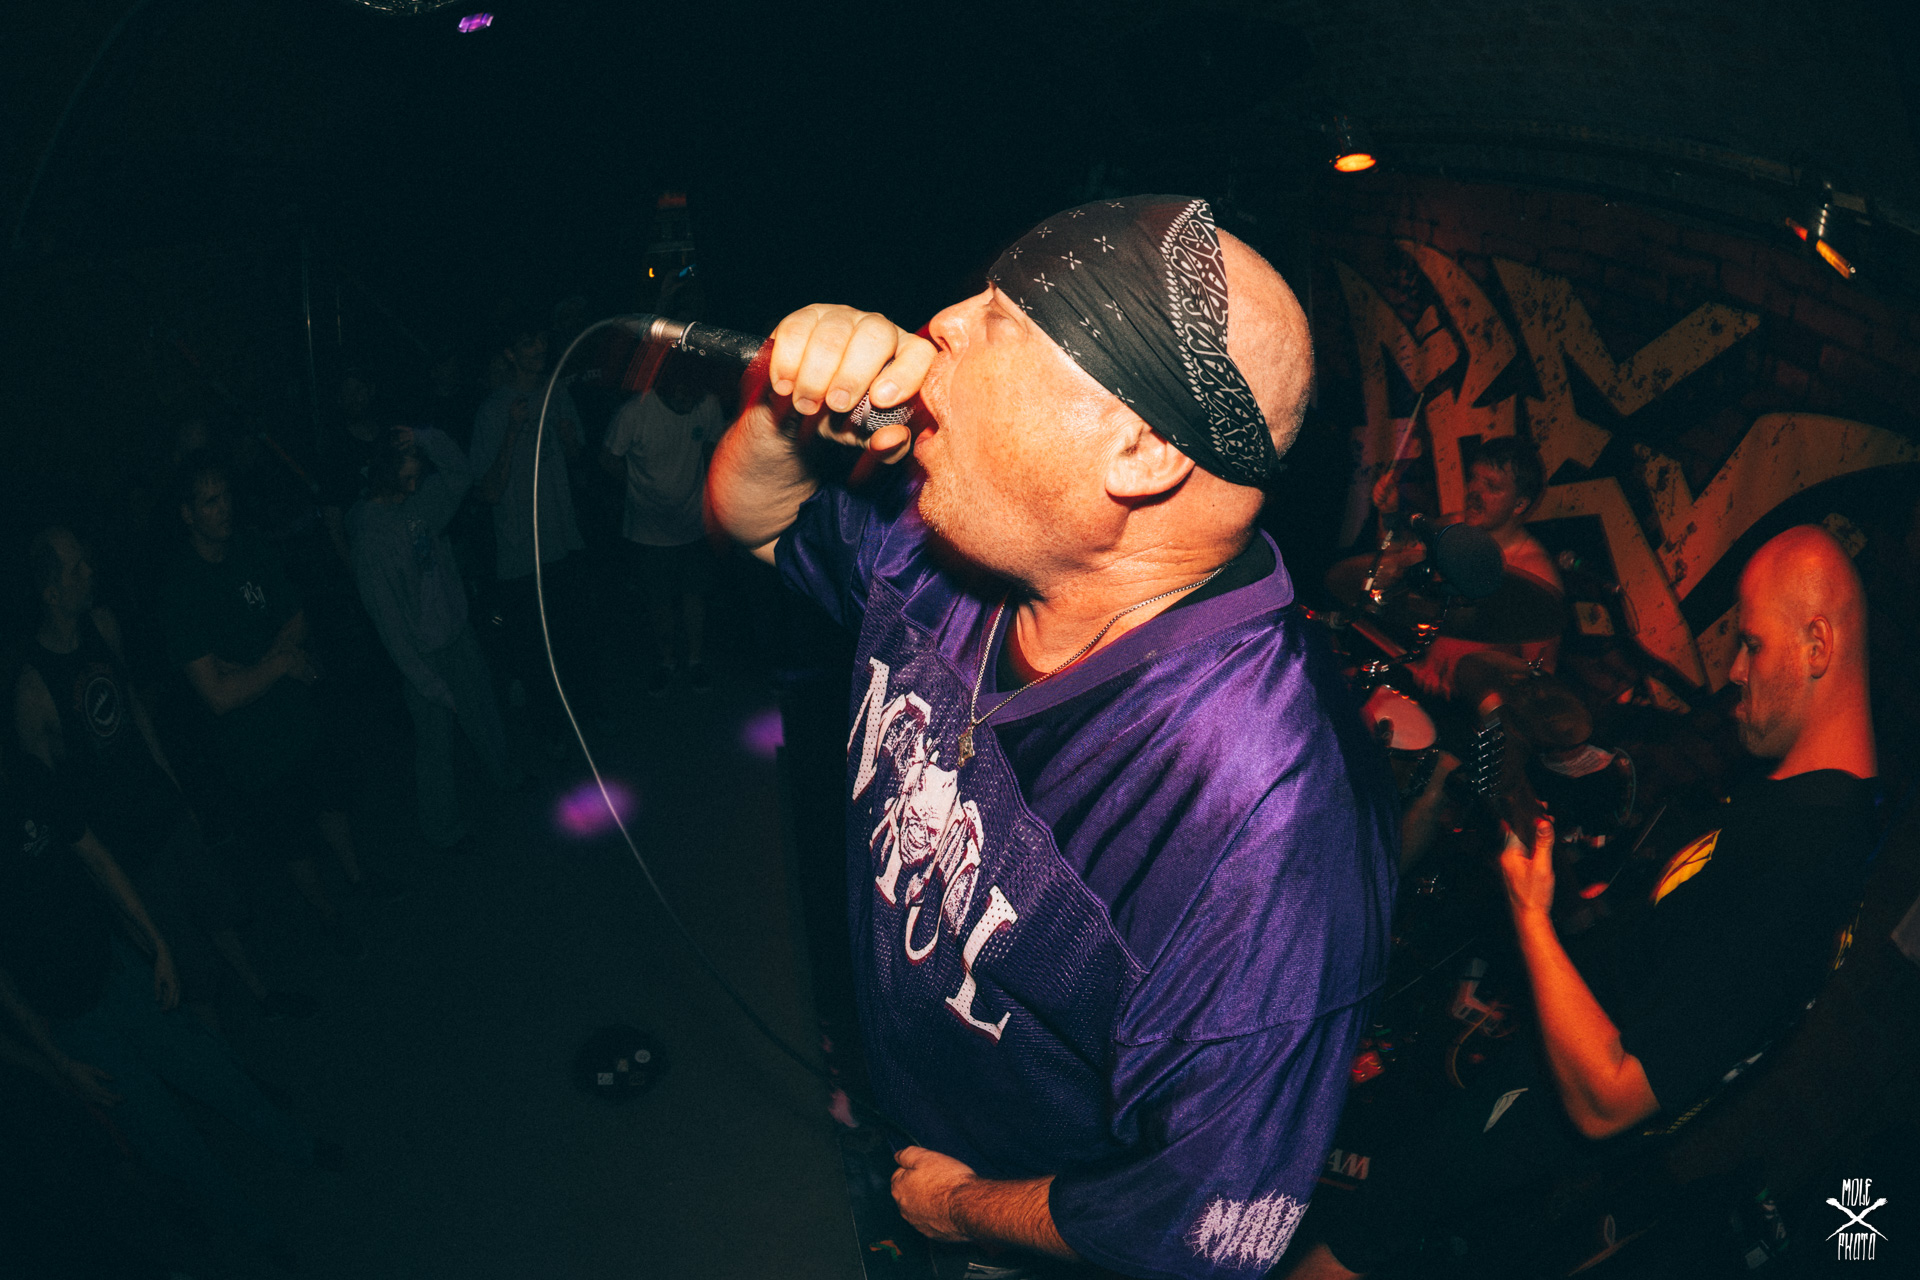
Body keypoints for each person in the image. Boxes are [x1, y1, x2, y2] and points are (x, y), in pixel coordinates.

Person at [707, 196, 1398, 1278]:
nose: (939, 322)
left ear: (1139, 449)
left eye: (1003, 320)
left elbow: (1203, 1227)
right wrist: (787, 412)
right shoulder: (956, 531)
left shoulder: (1265, 823)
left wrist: (962, 1210)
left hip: (1008, 1223)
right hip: (902, 1098)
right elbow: (752, 521)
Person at [1286, 524, 1881, 1279]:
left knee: (1362, 1235)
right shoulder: (1830, 813)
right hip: (1537, 1101)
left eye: (1753, 645)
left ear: (1817, 645)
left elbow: (1611, 1097)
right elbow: (1683, 966)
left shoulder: (1802, 852)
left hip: (1537, 1120)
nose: (1733, 670)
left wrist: (1531, 916)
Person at [0, 753, 326, 1255]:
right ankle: (256, 1230)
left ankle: (297, 1145)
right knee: (165, 1134)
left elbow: (96, 857)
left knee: (210, 1067)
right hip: (70, 1019)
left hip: (117, 970)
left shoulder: (24, 772)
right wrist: (60, 1061)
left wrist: (157, 944)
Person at [15, 526, 311, 1021]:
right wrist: (104, 883)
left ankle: (263, 994)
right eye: (76, 568)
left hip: (161, 804)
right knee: (184, 959)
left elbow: (132, 706)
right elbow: (53, 809)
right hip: (124, 845)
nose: (89, 571)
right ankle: (220, 1058)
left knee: (218, 910)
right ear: (51, 594)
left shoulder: (103, 625)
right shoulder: (32, 693)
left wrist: (170, 779)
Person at [160, 452, 388, 951]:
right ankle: (328, 917)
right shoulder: (180, 590)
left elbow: (297, 616)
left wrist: (262, 664)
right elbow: (217, 696)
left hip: (296, 715)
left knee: (330, 799)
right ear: (187, 514)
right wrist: (281, 664)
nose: (224, 508)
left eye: (226, 496)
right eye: (210, 501)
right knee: (290, 837)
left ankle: (358, 878)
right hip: (251, 746)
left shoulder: (250, 547)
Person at [347, 427, 518, 853]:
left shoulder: (420, 504)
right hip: (421, 656)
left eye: (417, 473)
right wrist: (428, 682)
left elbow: (461, 474)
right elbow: (390, 626)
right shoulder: (371, 539)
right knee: (435, 745)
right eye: (406, 475)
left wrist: (423, 437)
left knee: (483, 710)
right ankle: (443, 830)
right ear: (385, 473)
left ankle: (506, 776)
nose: (415, 482)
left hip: (455, 631)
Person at [1329, 435, 1565, 700]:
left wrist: (1480, 683)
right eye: (1473, 478)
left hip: (1476, 707)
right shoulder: (1452, 531)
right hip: (1422, 679)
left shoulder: (1537, 574)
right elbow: (1392, 569)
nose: (1474, 492)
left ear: (1519, 504)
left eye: (1491, 486)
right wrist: (1389, 514)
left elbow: (1540, 678)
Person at [468, 312, 592, 744]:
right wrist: (511, 432)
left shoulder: (557, 392)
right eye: (528, 343)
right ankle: (549, 735)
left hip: (563, 542)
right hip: (521, 553)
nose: (539, 349)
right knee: (534, 653)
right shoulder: (492, 410)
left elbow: (576, 458)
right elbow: (486, 492)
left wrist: (569, 439)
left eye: (541, 340)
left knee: (572, 642)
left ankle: (582, 726)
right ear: (510, 353)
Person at [601, 352, 726, 693]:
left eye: (694, 394)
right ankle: (666, 662)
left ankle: (696, 662)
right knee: (658, 601)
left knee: (695, 595)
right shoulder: (634, 413)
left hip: (694, 524)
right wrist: (637, 487)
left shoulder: (707, 404)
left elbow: (712, 449)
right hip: (647, 530)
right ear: (665, 386)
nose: (689, 402)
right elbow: (608, 457)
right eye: (682, 394)